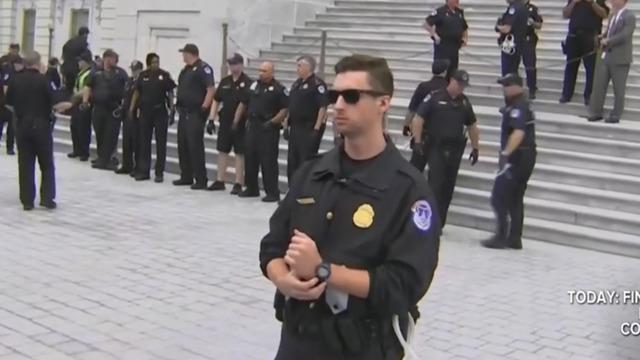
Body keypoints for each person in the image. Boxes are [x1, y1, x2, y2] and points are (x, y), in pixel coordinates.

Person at [259, 54, 441, 360]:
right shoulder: (312, 172)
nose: (338, 105)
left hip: (362, 346)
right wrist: (283, 280)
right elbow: (272, 246)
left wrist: (323, 269)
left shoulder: (409, 189)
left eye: (352, 96)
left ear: (383, 103)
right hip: (298, 339)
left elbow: (405, 284)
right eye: (334, 96)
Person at [412, 70, 479, 228]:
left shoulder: (464, 102)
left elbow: (472, 126)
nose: (461, 88)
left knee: (448, 188)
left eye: (464, 86)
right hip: (436, 145)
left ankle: (439, 223)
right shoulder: (435, 97)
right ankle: (428, 221)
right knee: (435, 184)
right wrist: (418, 141)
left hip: (455, 149)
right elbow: (418, 119)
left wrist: (475, 148)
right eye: (459, 84)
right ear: (451, 81)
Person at [5, 51, 66, 210]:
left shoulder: (15, 80)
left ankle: (27, 201)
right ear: (38, 63)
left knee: (25, 164)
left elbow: (8, 103)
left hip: (22, 124)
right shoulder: (44, 81)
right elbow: (55, 102)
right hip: (41, 125)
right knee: (46, 164)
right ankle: (47, 198)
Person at [482, 73, 536, 250]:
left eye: (507, 85)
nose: (504, 89)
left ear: (517, 87)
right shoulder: (518, 105)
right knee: (515, 198)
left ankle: (501, 236)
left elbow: (518, 132)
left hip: (517, 158)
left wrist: (506, 153)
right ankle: (514, 238)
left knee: (499, 196)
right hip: (526, 156)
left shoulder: (518, 107)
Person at [238, 61, 288, 202]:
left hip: (268, 127)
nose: (261, 73)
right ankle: (251, 188)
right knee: (250, 157)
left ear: (272, 72)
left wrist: (273, 122)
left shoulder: (279, 88)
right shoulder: (254, 85)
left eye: (264, 71)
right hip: (253, 125)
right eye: (260, 70)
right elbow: (245, 102)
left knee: (268, 161)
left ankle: (272, 192)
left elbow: (284, 109)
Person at [206, 53, 251, 193]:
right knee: (222, 150)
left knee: (239, 152)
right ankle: (220, 180)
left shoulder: (247, 82)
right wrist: (211, 119)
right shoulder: (225, 81)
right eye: (231, 64)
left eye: (235, 64)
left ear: (241, 65)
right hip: (225, 120)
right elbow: (216, 100)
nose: (232, 67)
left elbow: (245, 104)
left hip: (241, 123)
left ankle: (238, 182)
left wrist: (238, 122)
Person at [587, 0, 636, 124]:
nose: (613, 1)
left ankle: (616, 114)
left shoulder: (629, 16)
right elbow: (609, 31)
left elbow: (625, 35)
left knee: (618, 88)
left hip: (620, 58)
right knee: (599, 85)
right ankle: (596, 112)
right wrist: (602, 36)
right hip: (606, 56)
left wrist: (609, 41)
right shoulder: (612, 15)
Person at [173, 43, 215, 189]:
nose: (183, 56)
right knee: (182, 144)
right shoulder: (186, 70)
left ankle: (201, 179)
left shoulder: (203, 68)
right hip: (184, 112)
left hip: (195, 112)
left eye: (184, 53)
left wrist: (205, 107)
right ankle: (186, 175)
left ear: (190, 53)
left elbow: (211, 89)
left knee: (195, 145)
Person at [130, 53, 176, 183]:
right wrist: (131, 109)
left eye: (158, 61)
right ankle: (144, 170)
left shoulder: (164, 75)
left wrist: (172, 109)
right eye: (154, 62)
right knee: (145, 142)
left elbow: (170, 92)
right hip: (145, 112)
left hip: (160, 111)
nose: (156, 64)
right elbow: (137, 92)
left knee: (161, 142)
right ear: (149, 63)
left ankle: (159, 172)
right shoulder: (143, 75)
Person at [283, 55, 329, 184]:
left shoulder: (317, 84)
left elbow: (323, 106)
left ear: (308, 67)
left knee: (305, 161)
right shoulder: (297, 83)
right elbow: (291, 105)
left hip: (308, 128)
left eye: (299, 66)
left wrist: (316, 128)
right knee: (292, 160)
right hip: (296, 127)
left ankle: (303, 192)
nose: (297, 69)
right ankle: (292, 191)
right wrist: (286, 125)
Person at [82, 49, 128, 170]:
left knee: (111, 135)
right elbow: (88, 87)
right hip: (98, 108)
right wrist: (85, 102)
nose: (111, 61)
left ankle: (108, 160)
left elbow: (128, 89)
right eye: (109, 58)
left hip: (113, 109)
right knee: (100, 133)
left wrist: (125, 105)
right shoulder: (96, 72)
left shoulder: (121, 73)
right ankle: (101, 157)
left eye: (113, 58)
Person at [404, 58, 450, 171]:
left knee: (415, 166)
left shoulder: (423, 86)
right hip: (441, 135)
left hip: (422, 133)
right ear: (445, 71)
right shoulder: (448, 88)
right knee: (437, 172)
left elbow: (411, 109)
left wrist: (406, 126)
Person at [560, 0, 609, 105]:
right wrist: (573, 2)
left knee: (591, 68)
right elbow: (565, 14)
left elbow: (604, 14)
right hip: (573, 36)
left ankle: (588, 96)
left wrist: (592, 3)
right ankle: (566, 94)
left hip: (590, 36)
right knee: (570, 66)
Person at [424, 0, 468, 79]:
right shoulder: (440, 11)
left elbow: (464, 27)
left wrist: (465, 38)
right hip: (442, 50)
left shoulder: (459, 12)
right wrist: (435, 35)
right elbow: (426, 24)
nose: (457, 1)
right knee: (442, 74)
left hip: (454, 49)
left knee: (453, 73)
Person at [115, 60, 144, 175]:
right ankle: (127, 165)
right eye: (132, 69)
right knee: (126, 142)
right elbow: (125, 96)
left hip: (137, 115)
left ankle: (137, 167)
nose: (133, 72)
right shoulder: (129, 81)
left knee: (137, 142)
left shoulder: (142, 81)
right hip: (126, 114)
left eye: (136, 69)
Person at [66, 51, 93, 161]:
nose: (78, 63)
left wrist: (77, 94)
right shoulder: (81, 73)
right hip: (76, 103)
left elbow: (87, 89)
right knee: (74, 126)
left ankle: (84, 152)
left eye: (80, 61)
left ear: (85, 62)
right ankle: (76, 149)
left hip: (84, 103)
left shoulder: (90, 73)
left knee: (83, 128)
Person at [496, 0, 529, 77]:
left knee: (508, 75)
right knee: (513, 72)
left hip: (510, 46)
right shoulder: (523, 7)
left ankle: (510, 88)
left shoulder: (514, 8)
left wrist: (497, 27)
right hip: (518, 45)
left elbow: (507, 28)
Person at [0, 43, 21, 155]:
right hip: (2, 100)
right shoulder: (3, 60)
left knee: (12, 127)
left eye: (16, 50)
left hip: (13, 101)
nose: (14, 52)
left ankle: (10, 147)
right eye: (12, 50)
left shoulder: (20, 61)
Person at [522, 0, 543, 99]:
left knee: (530, 64)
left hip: (528, 39)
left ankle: (532, 88)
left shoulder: (533, 9)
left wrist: (532, 23)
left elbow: (539, 25)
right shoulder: (513, 8)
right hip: (515, 39)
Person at [61, 26, 90, 95]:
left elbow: (63, 54)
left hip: (66, 68)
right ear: (85, 34)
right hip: (76, 69)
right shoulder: (83, 42)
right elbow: (86, 56)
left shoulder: (69, 42)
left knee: (68, 89)